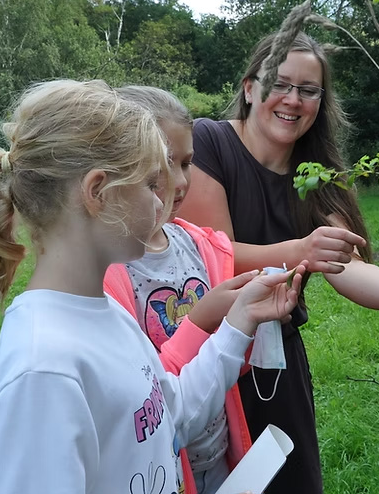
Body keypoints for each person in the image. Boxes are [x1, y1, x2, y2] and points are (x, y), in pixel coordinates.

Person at [0, 78, 307, 494]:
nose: (162, 201)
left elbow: (171, 413)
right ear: (98, 192)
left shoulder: (109, 317)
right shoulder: (44, 368)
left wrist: (240, 320)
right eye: (149, 184)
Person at [180, 31, 379, 494]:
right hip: (209, 359)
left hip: (278, 368)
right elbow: (213, 256)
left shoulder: (316, 173)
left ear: (321, 101)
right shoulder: (210, 143)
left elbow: (348, 263)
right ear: (248, 87)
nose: (293, 100)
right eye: (280, 84)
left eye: (308, 90)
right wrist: (299, 250)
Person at [103, 85, 253, 494]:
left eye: (188, 163)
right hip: (163, 469)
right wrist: (204, 318)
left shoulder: (200, 245)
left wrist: (251, 321)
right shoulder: (109, 271)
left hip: (218, 453)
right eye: (167, 164)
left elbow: (231, 365)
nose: (181, 181)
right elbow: (143, 396)